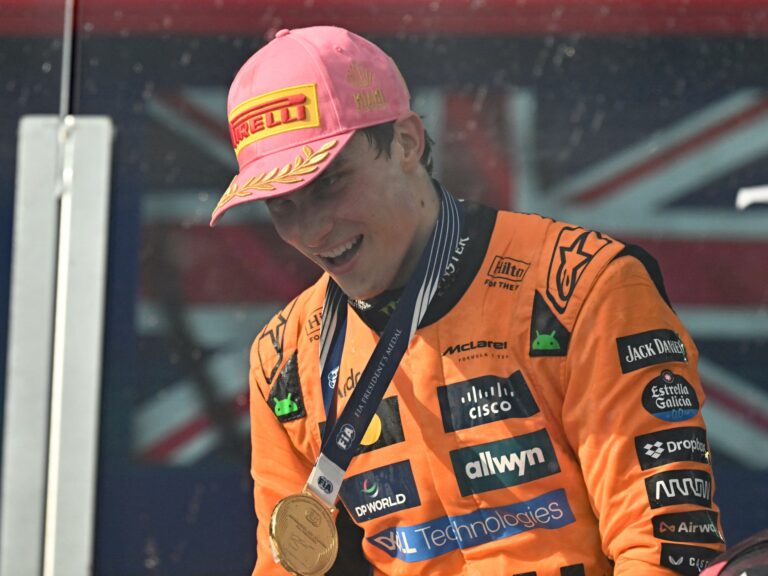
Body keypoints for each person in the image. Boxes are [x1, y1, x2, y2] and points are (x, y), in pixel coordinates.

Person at [210, 25, 726, 575]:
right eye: (282, 205)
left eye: (330, 182)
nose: (312, 231)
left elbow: (665, 551)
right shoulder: (284, 359)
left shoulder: (583, 288)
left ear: (405, 142)